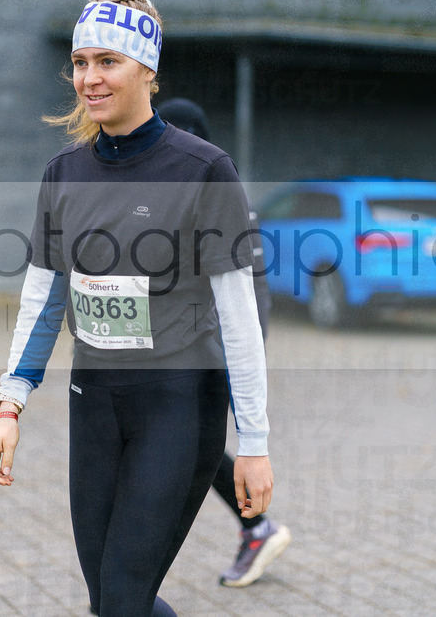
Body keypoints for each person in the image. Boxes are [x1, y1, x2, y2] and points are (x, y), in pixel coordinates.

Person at [0, 0, 273, 616]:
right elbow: (45, 298)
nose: (90, 78)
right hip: (95, 404)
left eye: (108, 61)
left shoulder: (205, 170)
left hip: (180, 407)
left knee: (121, 599)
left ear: (148, 70)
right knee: (111, 602)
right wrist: (10, 404)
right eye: (81, 62)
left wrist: (254, 442)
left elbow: (240, 319)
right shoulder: (63, 174)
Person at [157, 97, 291, 588]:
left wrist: (240, 359)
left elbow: (246, 287)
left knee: (191, 447)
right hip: (202, 345)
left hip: (215, 347)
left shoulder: (213, 192)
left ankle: (256, 526)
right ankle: (255, 526)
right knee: (194, 446)